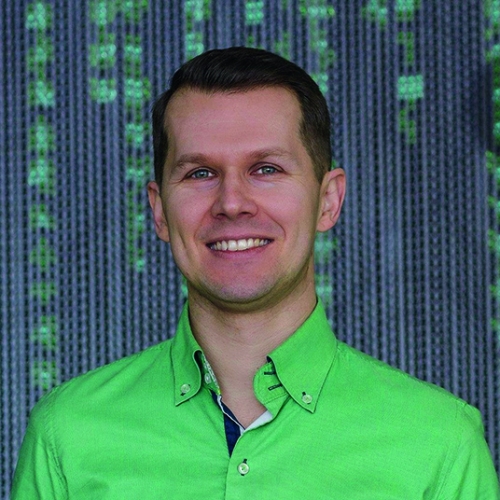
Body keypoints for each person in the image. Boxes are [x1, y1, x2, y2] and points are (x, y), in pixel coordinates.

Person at [12, 47, 500, 499]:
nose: (231, 203)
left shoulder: (440, 444)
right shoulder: (67, 435)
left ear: (328, 200)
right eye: (200, 173)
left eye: (266, 169)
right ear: (159, 211)